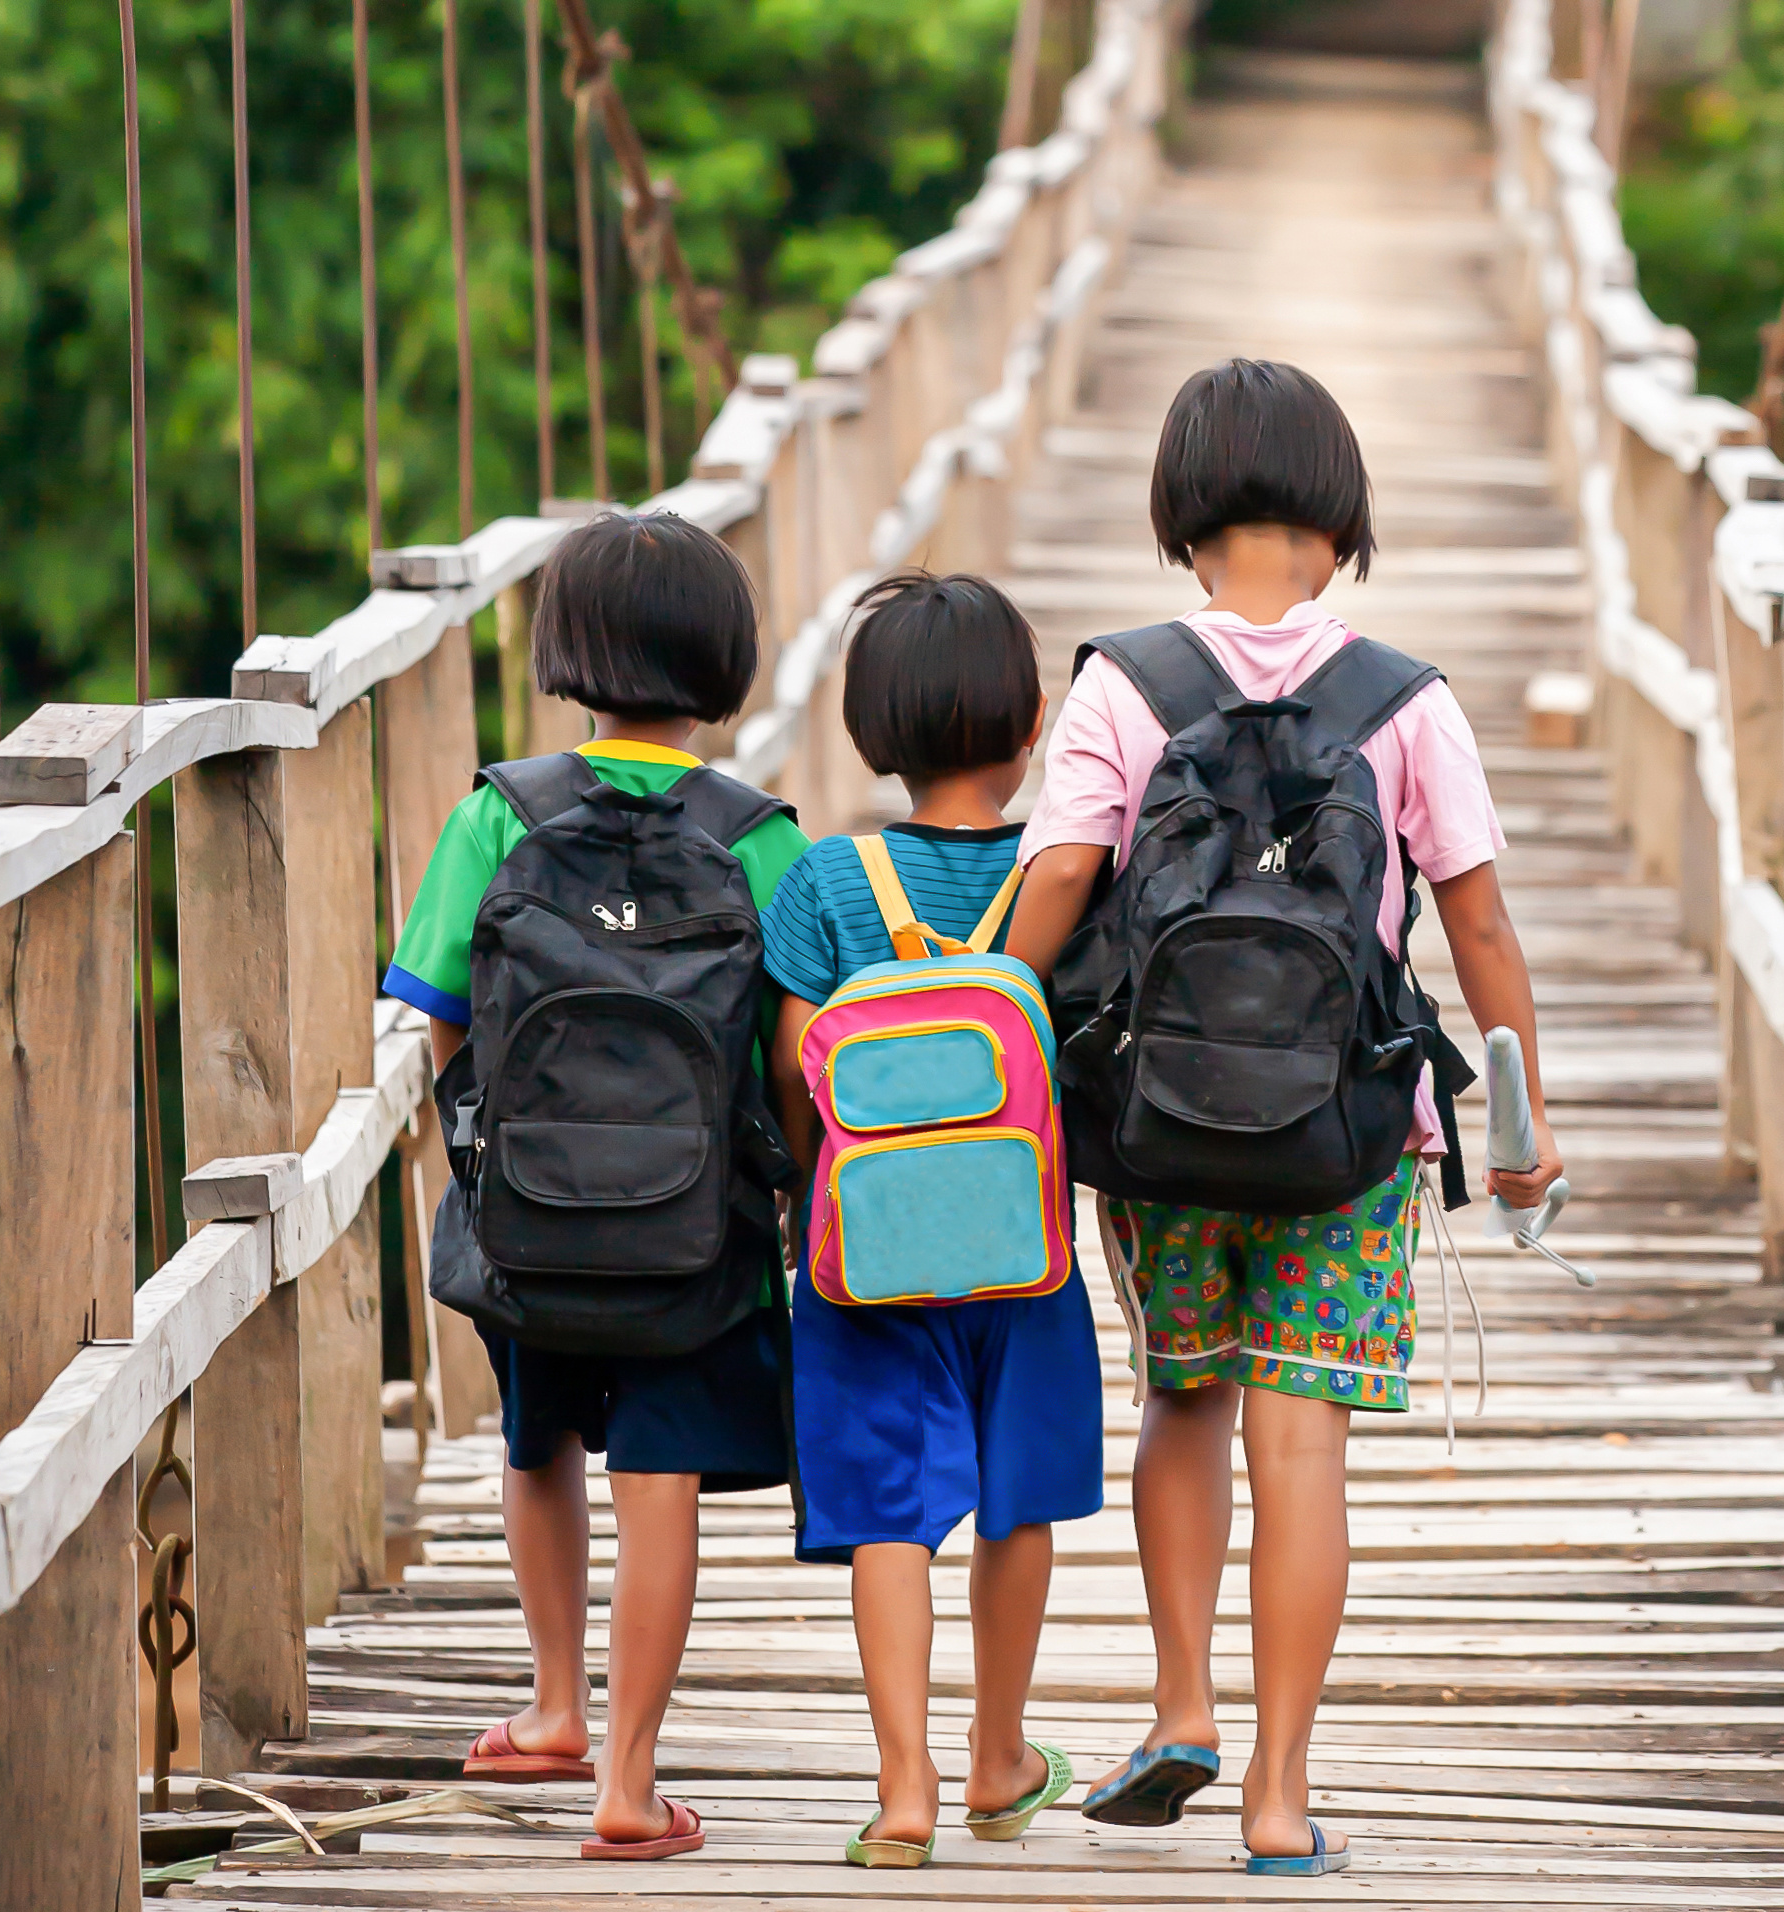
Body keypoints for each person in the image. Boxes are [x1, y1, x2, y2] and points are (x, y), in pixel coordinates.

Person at [1002, 358, 1566, 1876]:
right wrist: (1517, 1125)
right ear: (1340, 525)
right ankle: (1276, 1791)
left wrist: (978, 1025)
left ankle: (1178, 1703)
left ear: (1183, 521)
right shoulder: (1408, 701)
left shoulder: (1123, 682)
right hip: (1348, 1136)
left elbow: (1059, 884)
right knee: (1298, 1440)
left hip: (1161, 1118)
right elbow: (1483, 932)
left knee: (1184, 1399)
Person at [384, 510, 809, 1860]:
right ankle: (630, 1783)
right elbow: (791, 1053)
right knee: (662, 1481)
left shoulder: (495, 814)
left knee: (539, 1440)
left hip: (535, 1218)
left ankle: (555, 1703)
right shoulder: (764, 840)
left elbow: (440, 1010)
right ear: (723, 658)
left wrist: (492, 1141)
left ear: (568, 651)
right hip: (700, 1233)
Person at [763, 571, 1106, 1868]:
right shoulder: (1061, 873)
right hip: (1026, 1259)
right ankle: (997, 1755)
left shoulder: (827, 883)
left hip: (864, 1262)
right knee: (1020, 1498)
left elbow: (796, 1073)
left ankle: (901, 1786)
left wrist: (819, 1212)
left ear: (870, 732)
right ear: (1032, 725)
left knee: (881, 1513)